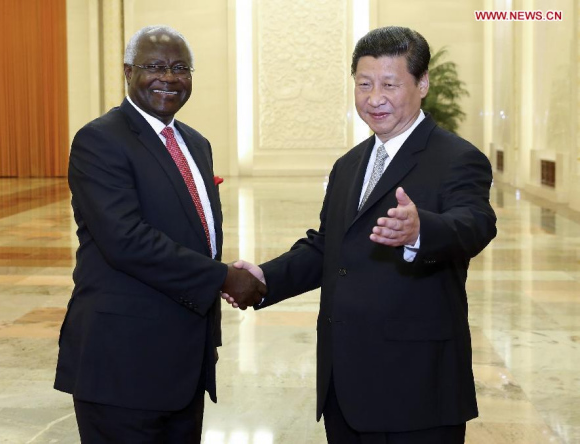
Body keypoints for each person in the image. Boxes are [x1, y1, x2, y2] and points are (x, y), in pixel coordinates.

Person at [224, 26, 497, 444]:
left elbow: (476, 222)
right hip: (345, 382)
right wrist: (265, 278)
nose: (374, 99)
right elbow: (327, 246)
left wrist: (423, 229)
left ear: (422, 83)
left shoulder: (457, 158)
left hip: (417, 386)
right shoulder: (349, 165)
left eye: (390, 84)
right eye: (364, 84)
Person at [54, 25, 265, 443]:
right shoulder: (100, 140)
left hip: (185, 362)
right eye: (154, 66)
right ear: (127, 71)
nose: (168, 78)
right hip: (122, 362)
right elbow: (126, 240)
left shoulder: (196, 144)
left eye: (180, 68)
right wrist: (222, 277)